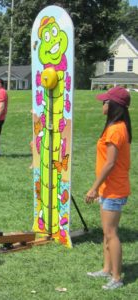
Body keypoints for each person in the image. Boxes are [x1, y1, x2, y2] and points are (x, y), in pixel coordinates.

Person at [85, 86, 132, 290]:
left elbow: (110, 163)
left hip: (114, 189)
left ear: (114, 106)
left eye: (105, 101)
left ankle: (117, 278)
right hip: (110, 187)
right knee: (107, 232)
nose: (103, 104)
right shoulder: (118, 127)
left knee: (111, 233)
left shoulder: (115, 129)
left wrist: (94, 188)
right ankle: (106, 270)